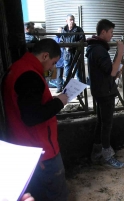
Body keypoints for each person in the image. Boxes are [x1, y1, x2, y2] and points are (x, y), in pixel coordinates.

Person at [2, 39, 69, 200]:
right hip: (42, 151)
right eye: (53, 63)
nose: (52, 68)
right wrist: (59, 102)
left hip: (23, 145)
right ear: (45, 56)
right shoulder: (30, 77)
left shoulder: (15, 68)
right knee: (56, 194)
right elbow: (32, 116)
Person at [85, 19, 124, 169]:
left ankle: (96, 153)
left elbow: (108, 72)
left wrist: (115, 72)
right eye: (110, 32)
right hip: (105, 93)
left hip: (100, 90)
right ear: (103, 32)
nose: (111, 35)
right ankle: (108, 156)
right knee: (106, 125)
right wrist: (120, 50)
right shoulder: (99, 50)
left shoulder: (94, 48)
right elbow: (112, 71)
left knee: (101, 122)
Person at [60, 14, 86, 84]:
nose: (72, 21)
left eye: (73, 20)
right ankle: (68, 92)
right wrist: (65, 46)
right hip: (67, 56)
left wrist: (73, 45)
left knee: (79, 74)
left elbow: (83, 40)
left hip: (76, 54)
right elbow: (61, 41)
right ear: (66, 21)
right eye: (70, 20)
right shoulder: (63, 31)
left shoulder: (79, 29)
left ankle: (80, 92)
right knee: (67, 74)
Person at [52, 27, 65, 93]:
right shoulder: (55, 39)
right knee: (59, 74)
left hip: (66, 58)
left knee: (68, 74)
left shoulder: (64, 37)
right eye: (58, 30)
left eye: (61, 31)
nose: (59, 32)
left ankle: (67, 88)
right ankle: (59, 87)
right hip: (59, 60)